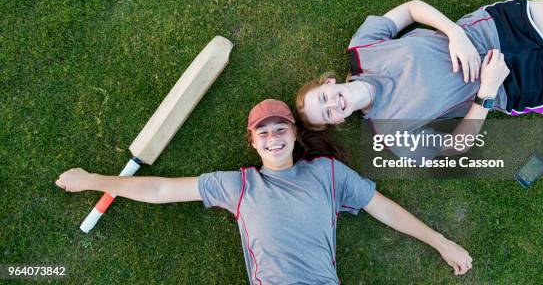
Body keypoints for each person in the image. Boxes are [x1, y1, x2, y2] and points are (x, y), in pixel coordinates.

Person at [56, 99, 473, 283]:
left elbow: (385, 209)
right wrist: (93, 180)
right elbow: (162, 188)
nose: (273, 138)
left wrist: (441, 242)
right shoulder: (237, 184)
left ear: (294, 135)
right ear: (252, 143)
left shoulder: (328, 174)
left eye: (280, 129)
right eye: (264, 133)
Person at [296, 0, 543, 159]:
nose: (333, 104)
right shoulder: (389, 133)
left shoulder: (363, 47)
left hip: (500, 27)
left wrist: (455, 33)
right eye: (328, 114)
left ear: (328, 84)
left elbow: (411, 9)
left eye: (324, 98)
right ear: (338, 122)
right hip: (516, 85)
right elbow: (454, 147)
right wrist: (486, 93)